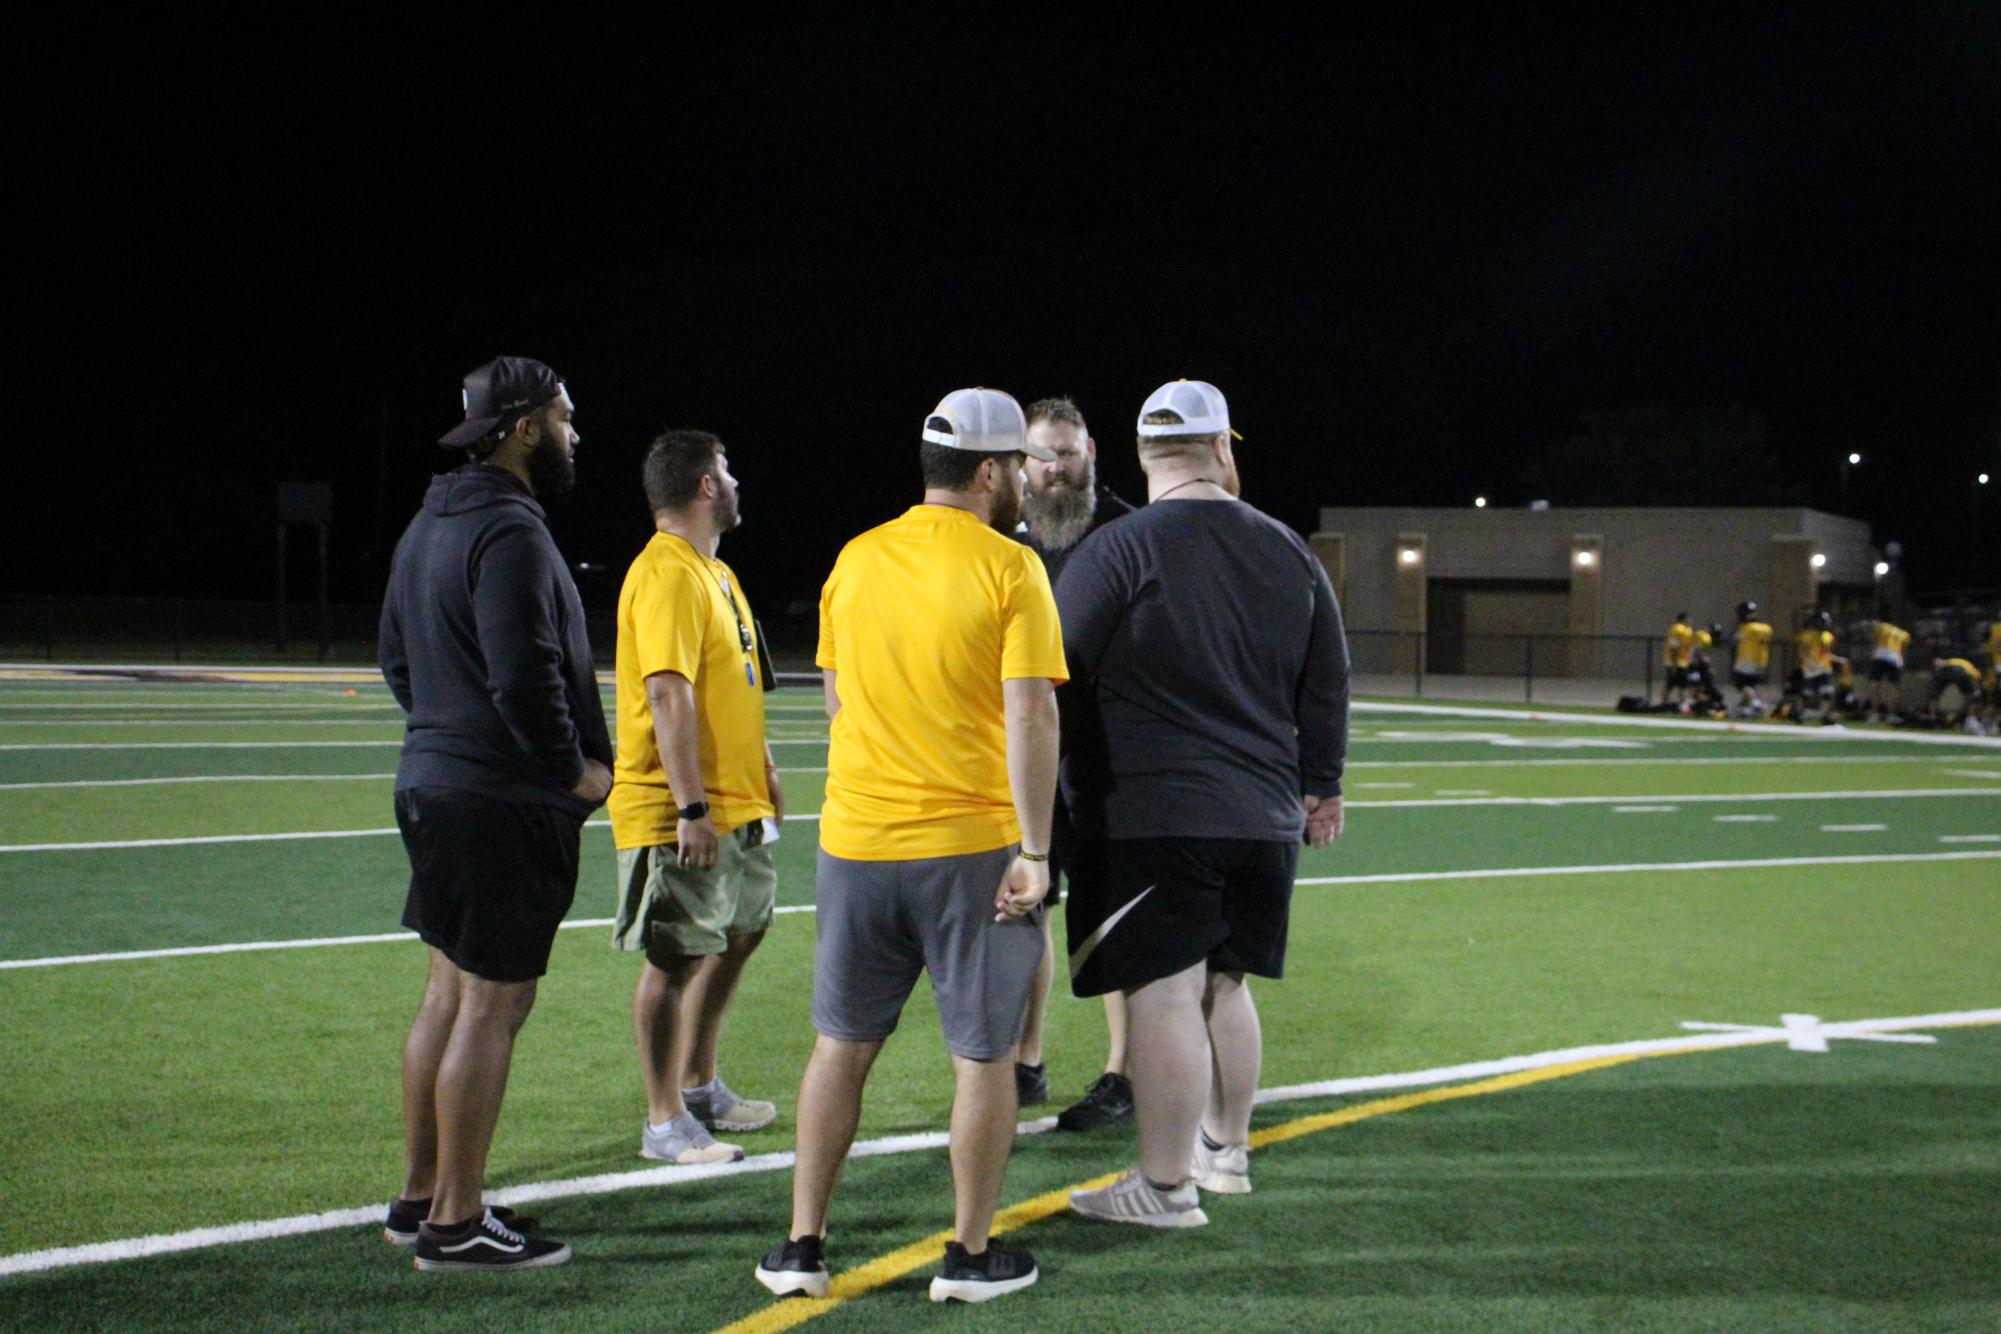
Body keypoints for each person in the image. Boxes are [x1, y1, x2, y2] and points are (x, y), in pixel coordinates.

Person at [755, 388, 1065, 1305]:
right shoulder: (1011, 569)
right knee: (984, 1057)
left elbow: (836, 695)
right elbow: (1031, 710)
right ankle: (968, 1258)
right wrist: (1037, 851)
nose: (1023, 482)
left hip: (855, 841)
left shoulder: (855, 559)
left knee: (839, 1047)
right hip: (967, 845)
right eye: (1016, 467)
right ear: (987, 470)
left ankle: (801, 1247)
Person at [1059, 380, 1349, 1229]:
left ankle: (1164, 1185)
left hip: (1153, 813)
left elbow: (1057, 680)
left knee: (1160, 992)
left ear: (1145, 456)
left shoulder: (1116, 550)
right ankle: (1225, 1153)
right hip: (1262, 816)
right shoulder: (1289, 550)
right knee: (1228, 984)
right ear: (1223, 448)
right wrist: (1321, 785)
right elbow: (1326, 679)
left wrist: (1060, 800)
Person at [378, 356, 612, 1271]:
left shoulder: (428, 521)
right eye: (565, 416)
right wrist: (572, 773)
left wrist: (445, 733)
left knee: (446, 991)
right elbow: (525, 675)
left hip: (437, 781)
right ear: (522, 427)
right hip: (498, 798)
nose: (573, 434)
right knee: (491, 1003)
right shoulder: (509, 531)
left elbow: (397, 659)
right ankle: (458, 1219)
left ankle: (421, 1196)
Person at [608, 430, 781, 1167]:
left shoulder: (717, 574)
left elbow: (732, 684)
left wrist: (763, 765)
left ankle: (701, 1082)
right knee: (675, 957)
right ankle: (662, 1118)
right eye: (729, 468)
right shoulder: (666, 574)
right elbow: (667, 693)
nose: (737, 481)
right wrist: (689, 808)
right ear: (707, 485)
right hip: (686, 807)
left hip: (737, 803)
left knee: (740, 934)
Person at [1012, 395, 1137, 1133]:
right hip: (1026, 754)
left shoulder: (1126, 529)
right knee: (1026, 903)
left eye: (1066, 453)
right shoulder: (1003, 535)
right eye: (1041, 456)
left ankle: (1122, 1070)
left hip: (1104, 755)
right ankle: (1026, 1059)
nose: (1055, 470)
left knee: (1112, 916)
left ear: (1090, 449)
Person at [1786, 611, 1837, 722]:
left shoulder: (1828, 636)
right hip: (1809, 669)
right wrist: (1809, 663)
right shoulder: (1806, 635)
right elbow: (1801, 651)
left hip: (1824, 669)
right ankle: (1801, 713)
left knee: (1826, 693)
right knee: (1806, 694)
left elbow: (1826, 653)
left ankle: (1823, 715)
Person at [1730, 601, 1774, 717]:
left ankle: (1756, 703)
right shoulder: (1765, 628)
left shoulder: (1745, 628)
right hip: (1762, 661)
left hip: (1746, 659)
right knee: (1751, 685)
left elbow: (1735, 640)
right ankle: (1744, 706)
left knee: (1741, 683)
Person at [1866, 618, 1910, 722]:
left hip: (1880, 655)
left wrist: (1873, 654)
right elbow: (1903, 651)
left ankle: (1875, 714)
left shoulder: (1883, 626)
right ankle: (1891, 715)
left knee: (1875, 685)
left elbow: (1876, 641)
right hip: (1894, 658)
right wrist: (1902, 662)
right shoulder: (1904, 634)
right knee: (1894, 687)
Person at [1931, 657, 1983, 729]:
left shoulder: (1953, 664)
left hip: (1966, 675)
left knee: (1973, 697)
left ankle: (1969, 719)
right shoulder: (1951, 665)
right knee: (1973, 697)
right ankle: (1969, 719)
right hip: (1965, 675)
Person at [1661, 612, 1698, 706]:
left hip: (1683, 662)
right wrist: (1674, 663)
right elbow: (1674, 647)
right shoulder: (1677, 629)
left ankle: (1681, 705)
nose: (1691, 621)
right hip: (1676, 662)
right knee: (1671, 684)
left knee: (1681, 685)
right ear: (1683, 619)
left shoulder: (1688, 630)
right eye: (1689, 619)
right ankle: (1665, 704)